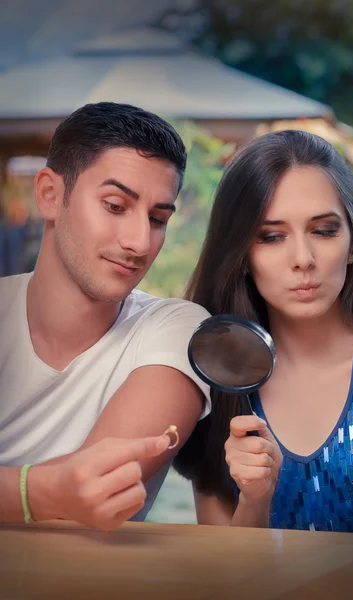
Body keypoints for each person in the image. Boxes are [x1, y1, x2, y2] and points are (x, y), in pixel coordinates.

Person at [174, 129, 353, 534]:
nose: (303, 259)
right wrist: (255, 498)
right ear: (242, 255)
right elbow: (228, 580)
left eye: (324, 230)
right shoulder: (216, 385)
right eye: (273, 236)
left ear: (352, 243)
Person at [0, 102, 211, 532]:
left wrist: (32, 490)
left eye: (157, 219)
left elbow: (94, 486)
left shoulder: (176, 331)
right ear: (49, 195)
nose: (139, 242)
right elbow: (67, 491)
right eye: (115, 206)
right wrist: (44, 489)